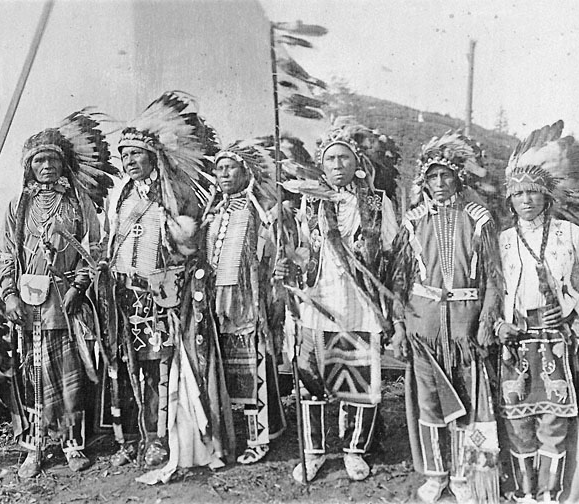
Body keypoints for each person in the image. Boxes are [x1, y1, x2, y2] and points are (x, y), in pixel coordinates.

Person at [110, 92, 235, 485]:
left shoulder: (177, 191)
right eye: (125, 156)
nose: (130, 162)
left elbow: (192, 246)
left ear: (154, 156)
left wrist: (171, 228)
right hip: (129, 295)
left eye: (136, 155)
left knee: (166, 367)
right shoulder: (124, 195)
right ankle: (142, 435)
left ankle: (165, 438)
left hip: (168, 296)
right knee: (138, 366)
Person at [0, 112, 116, 478]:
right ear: (29, 167)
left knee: (68, 374)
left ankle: (72, 443)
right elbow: (3, 254)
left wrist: (79, 285)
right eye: (39, 160)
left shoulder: (79, 204)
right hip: (29, 304)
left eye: (52, 160)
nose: (46, 166)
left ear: (63, 164)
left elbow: (95, 248)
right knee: (32, 374)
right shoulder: (19, 206)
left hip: (66, 301)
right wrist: (10, 295)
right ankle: (35, 446)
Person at [495, 121, 579, 503]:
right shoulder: (503, 241)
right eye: (518, 194)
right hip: (514, 340)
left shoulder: (568, 234)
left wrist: (572, 313)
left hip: (555, 339)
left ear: (547, 197)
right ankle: (525, 494)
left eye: (533, 192)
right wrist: (499, 324)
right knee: (517, 420)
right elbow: (491, 289)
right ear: (510, 200)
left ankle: (549, 495)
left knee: (555, 419)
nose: (526, 200)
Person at [278, 118, 398, 483]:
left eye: (344, 159)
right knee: (311, 380)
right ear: (322, 165)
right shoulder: (309, 202)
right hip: (317, 302)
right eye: (330, 160)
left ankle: (354, 451)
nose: (337, 166)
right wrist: (288, 262)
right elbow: (300, 250)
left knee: (358, 379)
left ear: (358, 163)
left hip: (359, 304)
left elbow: (393, 252)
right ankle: (313, 452)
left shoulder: (378, 203)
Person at [389, 132, 503, 504]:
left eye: (446, 176)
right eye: (432, 177)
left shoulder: (479, 219)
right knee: (430, 401)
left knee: (468, 402)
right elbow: (400, 282)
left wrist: (486, 322)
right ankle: (435, 474)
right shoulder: (413, 221)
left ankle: (463, 475)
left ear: (458, 179)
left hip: (466, 328)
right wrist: (400, 326)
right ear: (424, 180)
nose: (439, 184)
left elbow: (492, 278)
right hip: (425, 326)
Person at [203, 142, 286, 464]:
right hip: (215, 304)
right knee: (221, 371)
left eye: (230, 167)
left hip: (249, 302)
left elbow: (275, 253)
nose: (223, 173)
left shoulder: (261, 212)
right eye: (219, 168)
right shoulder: (213, 212)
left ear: (246, 171)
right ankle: (227, 435)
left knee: (255, 369)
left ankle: (260, 436)